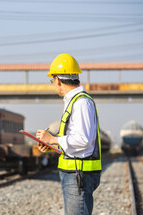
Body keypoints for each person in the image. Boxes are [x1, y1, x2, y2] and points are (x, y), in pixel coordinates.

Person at [36, 54, 101, 215]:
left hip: (78, 176)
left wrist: (52, 138)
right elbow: (76, 142)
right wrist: (53, 146)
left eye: (52, 81)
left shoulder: (81, 103)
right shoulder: (74, 101)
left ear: (57, 79)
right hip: (74, 174)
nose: (54, 84)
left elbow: (84, 140)